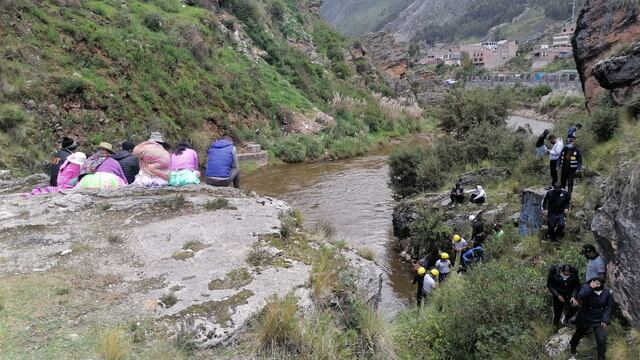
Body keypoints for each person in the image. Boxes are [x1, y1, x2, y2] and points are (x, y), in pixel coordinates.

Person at [569, 277, 612, 360]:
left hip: (599, 319)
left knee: (601, 340)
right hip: (586, 317)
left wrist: (605, 319)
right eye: (595, 283)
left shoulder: (606, 292)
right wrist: (590, 287)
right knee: (578, 335)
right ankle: (573, 348)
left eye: (599, 283)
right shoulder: (586, 287)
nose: (597, 284)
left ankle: (601, 358)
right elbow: (580, 296)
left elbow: (608, 307)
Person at [547, 264, 581, 329]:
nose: (566, 275)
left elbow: (577, 286)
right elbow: (550, 285)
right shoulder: (554, 272)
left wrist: (573, 296)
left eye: (568, 274)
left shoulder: (574, 273)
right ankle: (555, 326)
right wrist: (558, 295)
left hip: (570, 294)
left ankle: (566, 319)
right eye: (564, 273)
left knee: (575, 306)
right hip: (558, 295)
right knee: (557, 312)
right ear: (561, 271)